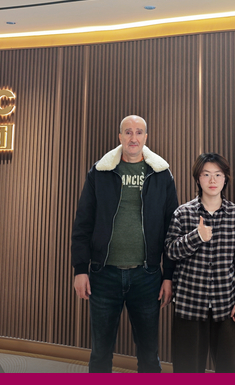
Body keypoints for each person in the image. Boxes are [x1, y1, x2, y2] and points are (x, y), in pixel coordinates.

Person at [70, 115, 178, 373]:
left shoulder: (161, 174)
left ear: (146, 138)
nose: (133, 137)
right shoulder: (100, 172)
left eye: (139, 132)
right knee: (100, 354)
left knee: (149, 355)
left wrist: (168, 276)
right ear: (120, 137)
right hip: (103, 275)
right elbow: (83, 222)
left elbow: (172, 228)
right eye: (128, 132)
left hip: (147, 276)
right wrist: (80, 269)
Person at [165, 153, 235, 373]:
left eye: (218, 174)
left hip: (227, 305)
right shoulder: (183, 213)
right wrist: (196, 236)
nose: (212, 180)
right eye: (206, 175)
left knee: (230, 369)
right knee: (187, 370)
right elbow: (170, 251)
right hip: (189, 304)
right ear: (198, 179)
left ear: (225, 179)